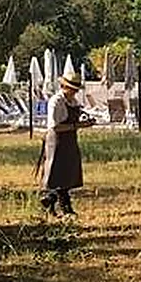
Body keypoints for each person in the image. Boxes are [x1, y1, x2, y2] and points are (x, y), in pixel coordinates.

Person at [38, 69, 93, 216]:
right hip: (56, 140)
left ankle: (56, 202)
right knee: (55, 172)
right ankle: (53, 201)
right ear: (65, 87)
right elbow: (55, 126)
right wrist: (78, 126)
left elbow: (75, 116)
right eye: (72, 89)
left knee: (67, 173)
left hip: (70, 139)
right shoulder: (56, 101)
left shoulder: (73, 101)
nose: (74, 93)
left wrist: (84, 120)